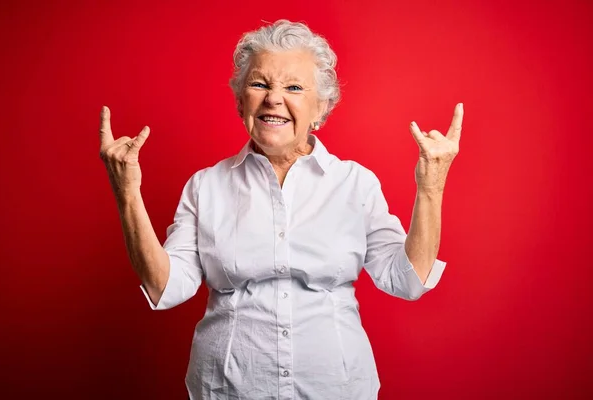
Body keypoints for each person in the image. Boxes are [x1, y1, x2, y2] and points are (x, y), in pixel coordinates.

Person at [99, 19, 463, 400]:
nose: (273, 98)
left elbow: (406, 280)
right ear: (241, 101)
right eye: (259, 84)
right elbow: (166, 287)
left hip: (337, 389)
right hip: (227, 390)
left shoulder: (355, 183)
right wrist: (128, 193)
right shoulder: (205, 186)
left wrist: (431, 186)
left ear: (321, 107)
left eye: (293, 87)